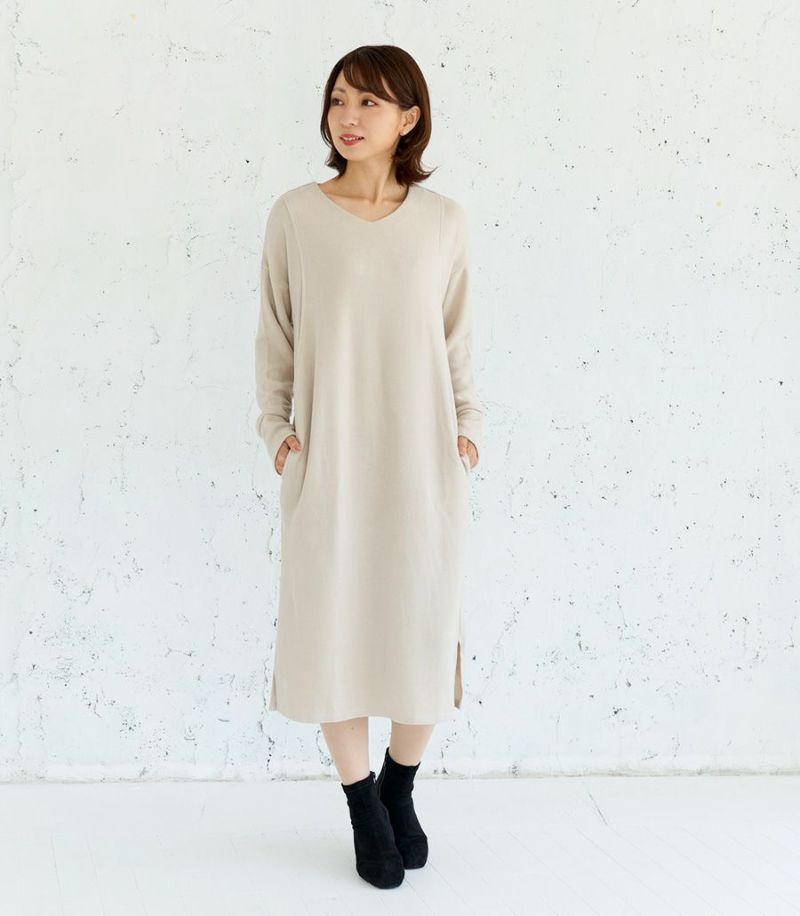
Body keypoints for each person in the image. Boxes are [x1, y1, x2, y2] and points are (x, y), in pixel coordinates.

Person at [254, 44, 484, 889]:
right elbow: (276, 335)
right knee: (333, 626)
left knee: (423, 623)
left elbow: (457, 336)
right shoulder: (296, 215)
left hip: (424, 455)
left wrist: (469, 426)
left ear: (409, 118)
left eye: (370, 103)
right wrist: (276, 430)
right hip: (330, 456)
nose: (348, 117)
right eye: (339, 100)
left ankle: (399, 785)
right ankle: (361, 805)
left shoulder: (443, 220)